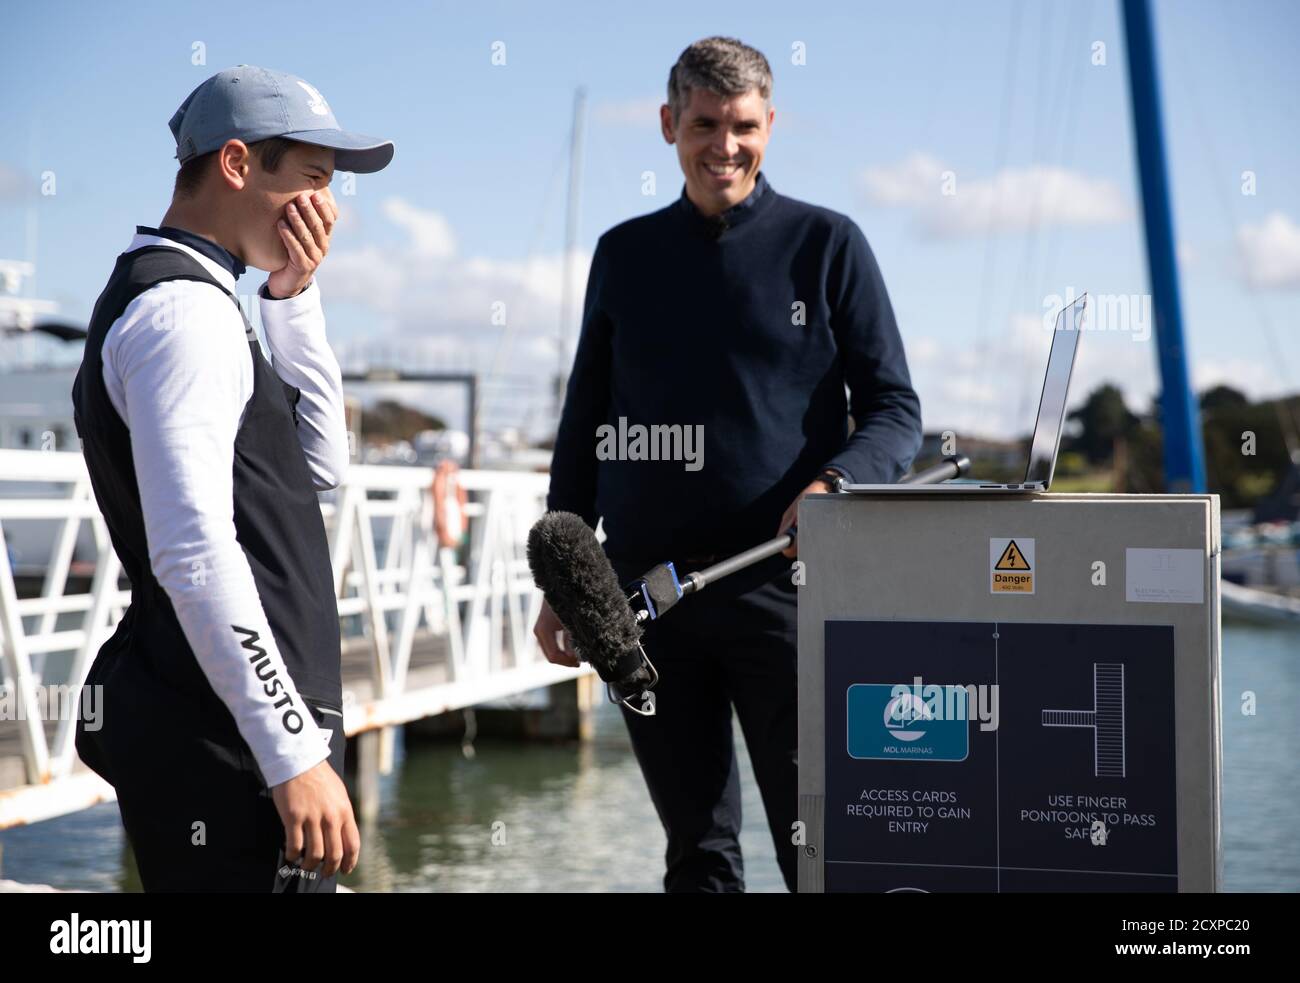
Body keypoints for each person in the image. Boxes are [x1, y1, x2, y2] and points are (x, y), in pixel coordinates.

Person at [536, 37, 923, 892]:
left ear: (771, 125)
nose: (725, 145)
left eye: (743, 125)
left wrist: (833, 485)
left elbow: (896, 412)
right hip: (646, 602)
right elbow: (584, 425)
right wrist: (565, 581)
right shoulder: (624, 254)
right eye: (704, 123)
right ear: (669, 123)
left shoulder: (828, 244)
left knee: (817, 850)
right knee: (699, 855)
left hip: (784, 593)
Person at [72, 65, 393, 892]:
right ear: (238, 164)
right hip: (233, 742)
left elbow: (320, 462)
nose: (326, 209)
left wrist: (293, 296)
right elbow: (195, 555)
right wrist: (293, 754)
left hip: (231, 726)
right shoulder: (185, 313)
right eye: (316, 180)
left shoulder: (204, 297)